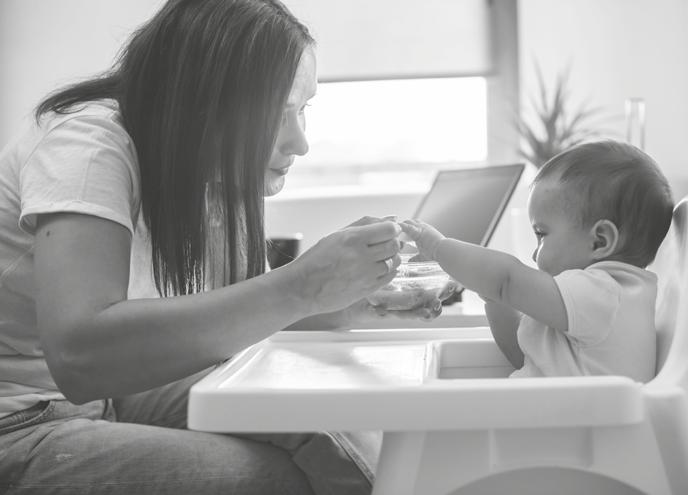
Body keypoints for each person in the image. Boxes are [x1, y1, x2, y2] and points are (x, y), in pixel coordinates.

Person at [0, 1, 452, 493]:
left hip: (110, 398)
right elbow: (80, 357)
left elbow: (235, 316)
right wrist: (302, 285)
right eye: (277, 113)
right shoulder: (87, 146)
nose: (300, 143)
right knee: (283, 480)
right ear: (203, 104)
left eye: (302, 110)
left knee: (334, 420)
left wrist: (344, 298)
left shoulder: (202, 168)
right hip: (21, 422)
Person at [401, 141, 674, 382]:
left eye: (541, 234)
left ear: (599, 241)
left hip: (567, 425)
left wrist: (438, 247)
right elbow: (524, 356)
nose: (534, 254)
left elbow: (506, 279)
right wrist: (491, 295)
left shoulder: (603, 293)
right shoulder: (593, 305)